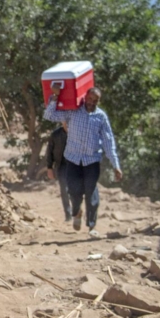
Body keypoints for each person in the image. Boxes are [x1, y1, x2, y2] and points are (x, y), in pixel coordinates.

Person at [43, 85, 122, 234]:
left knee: (90, 191)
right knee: (73, 190)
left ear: (99, 101)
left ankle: (92, 225)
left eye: (95, 100)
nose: (92, 102)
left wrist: (115, 165)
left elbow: (108, 141)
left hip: (91, 161)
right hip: (72, 159)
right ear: (85, 97)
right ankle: (77, 212)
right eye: (90, 99)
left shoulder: (101, 117)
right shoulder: (73, 111)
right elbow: (49, 115)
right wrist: (54, 97)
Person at [45, 122, 71, 221]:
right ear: (62, 122)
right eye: (66, 121)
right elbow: (49, 151)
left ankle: (76, 212)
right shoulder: (55, 135)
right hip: (62, 166)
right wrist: (49, 168)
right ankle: (68, 215)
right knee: (64, 190)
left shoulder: (78, 133)